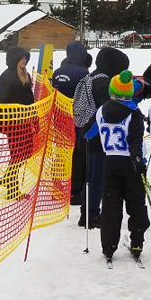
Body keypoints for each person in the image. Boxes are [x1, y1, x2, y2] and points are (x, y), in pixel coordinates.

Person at [95, 70, 150, 262]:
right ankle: (137, 241)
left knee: (111, 206)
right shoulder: (134, 113)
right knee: (136, 204)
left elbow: (93, 133)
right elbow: (135, 139)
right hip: (129, 162)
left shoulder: (101, 110)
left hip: (110, 161)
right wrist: (137, 159)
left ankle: (108, 245)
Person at [74, 47, 130, 228]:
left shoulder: (91, 77)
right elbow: (109, 109)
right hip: (98, 135)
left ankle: (86, 212)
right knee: (97, 178)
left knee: (90, 176)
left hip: (86, 133)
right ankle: (91, 214)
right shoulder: (103, 82)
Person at [0, 46, 38, 200]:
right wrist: (4, 123)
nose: (24, 61)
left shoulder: (25, 75)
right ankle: (12, 190)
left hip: (25, 122)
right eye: (21, 58)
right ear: (14, 60)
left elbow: (30, 100)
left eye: (26, 58)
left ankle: (7, 178)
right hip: (13, 123)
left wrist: (35, 119)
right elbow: (0, 101)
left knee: (24, 153)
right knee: (17, 155)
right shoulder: (7, 77)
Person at [51, 41, 90, 205]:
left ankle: (57, 186)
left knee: (60, 153)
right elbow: (87, 98)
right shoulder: (83, 73)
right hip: (77, 121)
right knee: (78, 154)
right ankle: (74, 191)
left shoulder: (58, 72)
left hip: (59, 119)